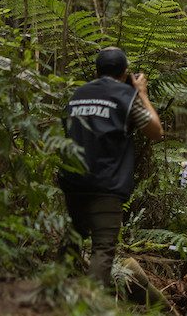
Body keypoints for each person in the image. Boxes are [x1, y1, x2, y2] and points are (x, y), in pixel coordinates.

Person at [60, 47, 163, 288]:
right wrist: (141, 93)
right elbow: (156, 131)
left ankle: (55, 291)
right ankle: (89, 304)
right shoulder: (126, 96)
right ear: (125, 71)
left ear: (97, 70)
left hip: (73, 179)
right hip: (106, 184)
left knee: (73, 237)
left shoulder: (78, 94)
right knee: (103, 247)